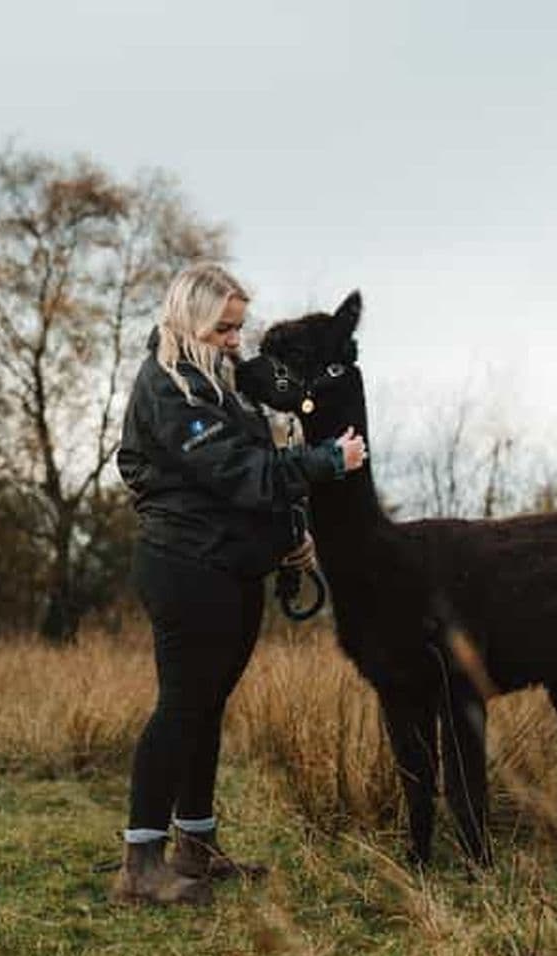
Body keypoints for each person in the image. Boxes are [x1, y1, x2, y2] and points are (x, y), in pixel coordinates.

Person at [113, 261, 367, 905]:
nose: (236, 339)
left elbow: (251, 480)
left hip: (231, 564)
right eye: (225, 327)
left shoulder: (219, 384)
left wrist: (291, 535)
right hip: (186, 566)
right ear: (193, 320)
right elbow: (238, 472)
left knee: (207, 706)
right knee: (181, 706)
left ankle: (195, 847)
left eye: (239, 327)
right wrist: (328, 460)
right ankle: (140, 864)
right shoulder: (170, 388)